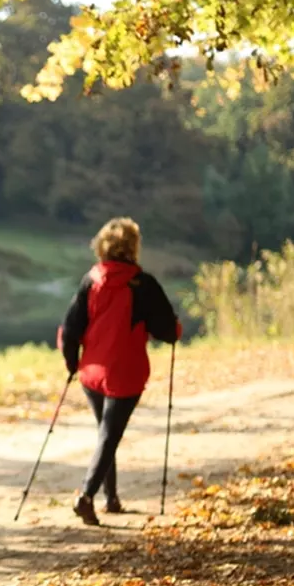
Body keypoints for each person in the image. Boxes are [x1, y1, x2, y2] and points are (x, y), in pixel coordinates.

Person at [58, 217, 180, 527]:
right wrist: (175, 330)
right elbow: (166, 329)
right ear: (133, 247)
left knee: (105, 432)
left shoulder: (91, 280)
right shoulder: (143, 284)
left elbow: (71, 328)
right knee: (109, 434)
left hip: (92, 372)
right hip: (126, 371)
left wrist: (73, 363)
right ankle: (87, 495)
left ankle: (110, 499)